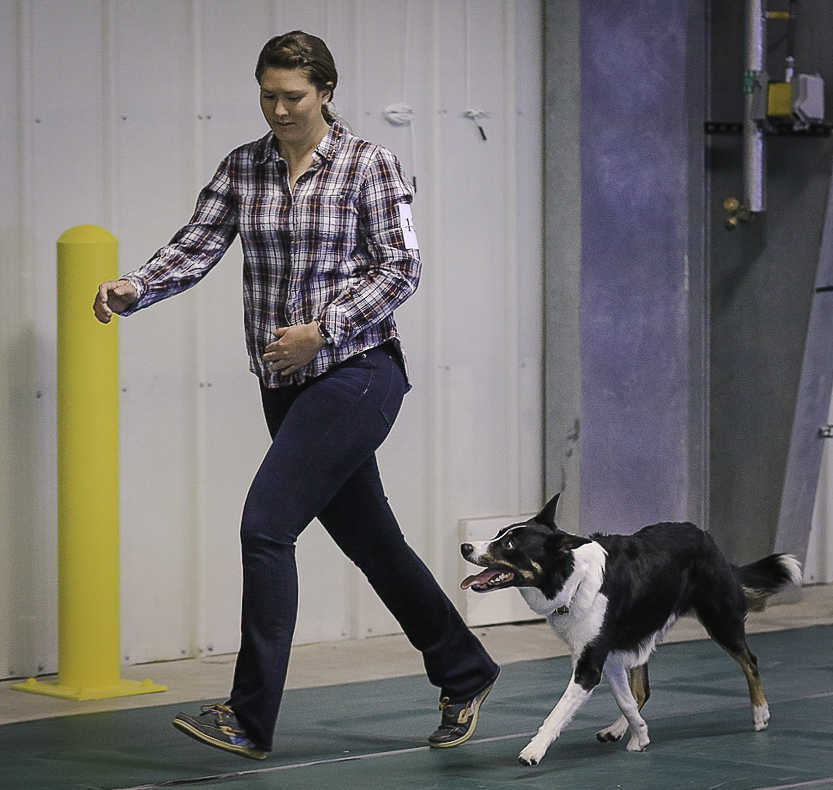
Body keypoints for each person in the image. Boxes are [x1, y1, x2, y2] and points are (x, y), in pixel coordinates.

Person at [93, 30, 499, 761]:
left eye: (294, 97)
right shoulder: (243, 167)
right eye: (267, 96)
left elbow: (401, 268)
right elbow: (198, 242)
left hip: (358, 373)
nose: (279, 110)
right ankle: (466, 669)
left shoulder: (369, 165)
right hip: (284, 383)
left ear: (325, 93)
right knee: (374, 543)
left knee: (265, 528)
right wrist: (135, 286)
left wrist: (324, 329)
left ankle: (248, 718)